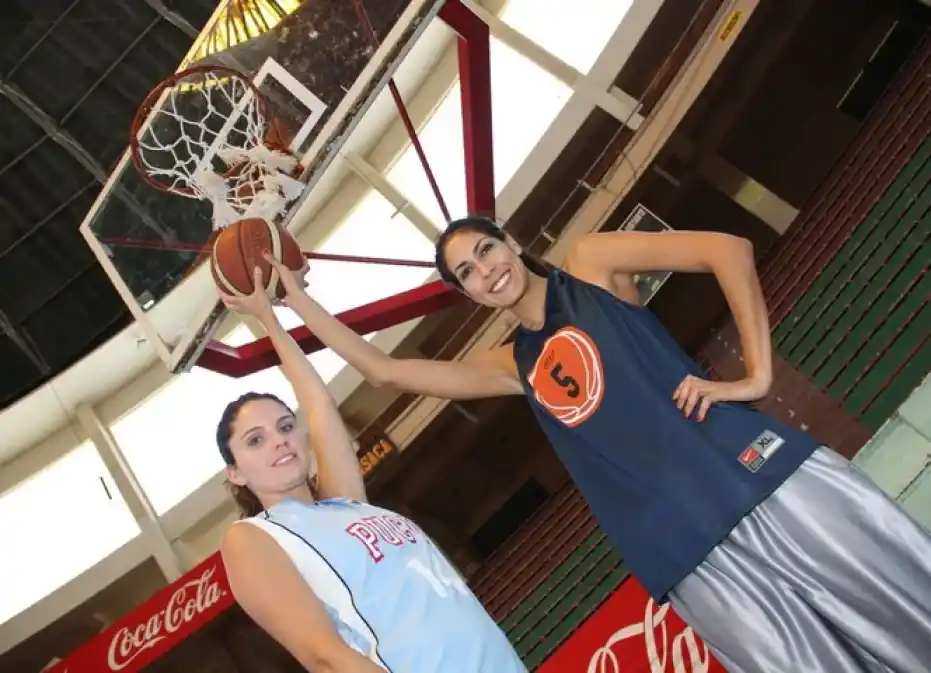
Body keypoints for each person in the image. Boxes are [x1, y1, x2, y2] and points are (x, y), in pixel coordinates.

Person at [261, 216, 931, 672]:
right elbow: (384, 371)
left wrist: (756, 375)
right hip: (685, 551)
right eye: (466, 272)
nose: (485, 270)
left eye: (486, 250)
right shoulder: (511, 365)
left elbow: (728, 250)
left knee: (910, 615)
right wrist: (287, 306)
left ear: (511, 241)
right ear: (466, 293)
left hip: (759, 479)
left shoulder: (588, 265)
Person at [216, 266, 527, 673]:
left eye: (286, 427)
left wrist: (269, 316)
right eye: (255, 440)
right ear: (235, 473)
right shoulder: (252, 537)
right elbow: (323, 656)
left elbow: (318, 403)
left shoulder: (344, 504)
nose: (278, 440)